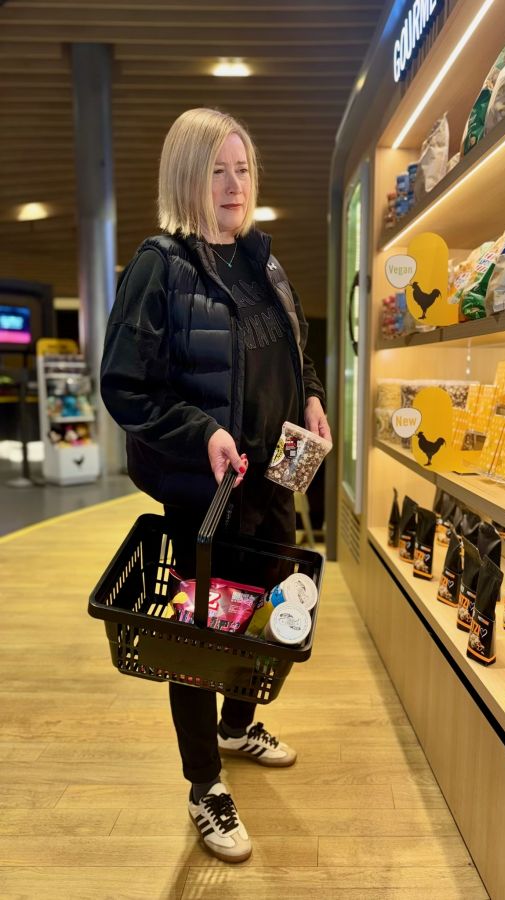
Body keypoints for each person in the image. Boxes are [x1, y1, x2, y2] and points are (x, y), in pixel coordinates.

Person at [100, 107, 330, 864]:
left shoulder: (263, 261)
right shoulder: (160, 265)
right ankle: (204, 784)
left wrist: (312, 397)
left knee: (263, 614)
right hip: (207, 492)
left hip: (273, 480)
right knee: (198, 637)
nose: (234, 185)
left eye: (243, 169)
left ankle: (237, 725)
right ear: (185, 178)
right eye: (217, 171)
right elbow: (125, 384)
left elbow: (294, 352)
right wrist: (202, 433)